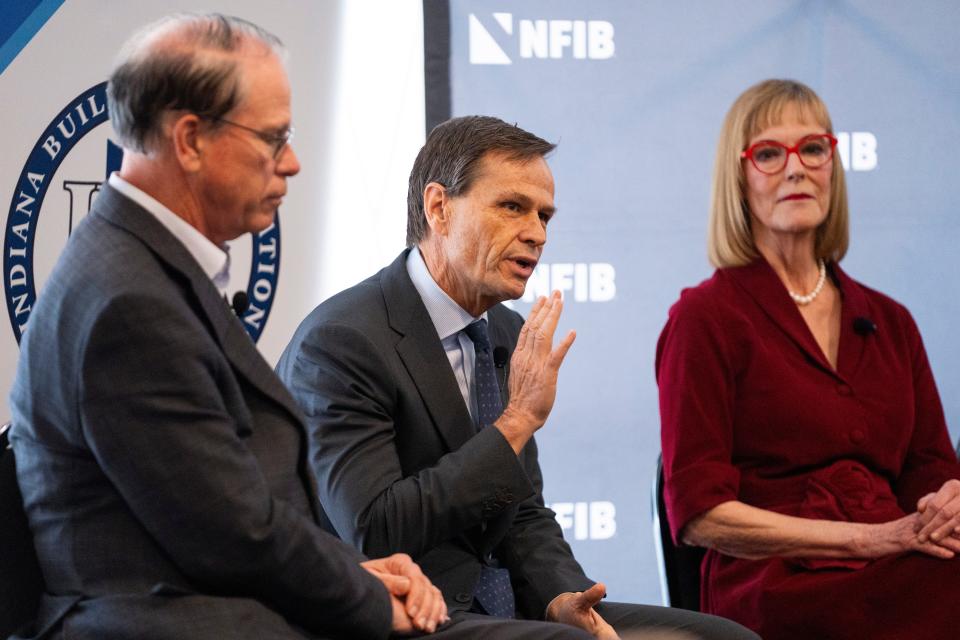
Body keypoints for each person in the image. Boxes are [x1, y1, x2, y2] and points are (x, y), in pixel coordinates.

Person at [9, 14, 448, 639]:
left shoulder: (144, 267)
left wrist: (359, 574)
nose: (292, 163)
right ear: (189, 141)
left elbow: (241, 511)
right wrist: (370, 599)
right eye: (274, 138)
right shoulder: (128, 304)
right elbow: (231, 532)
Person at [277, 115, 757, 640]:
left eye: (545, 216)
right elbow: (374, 529)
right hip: (404, 612)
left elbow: (522, 512)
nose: (536, 233)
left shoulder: (506, 330)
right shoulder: (344, 340)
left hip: (509, 610)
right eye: (512, 207)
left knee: (726, 638)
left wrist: (562, 598)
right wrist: (518, 422)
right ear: (438, 208)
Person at [656, 78, 960, 640]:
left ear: (832, 167)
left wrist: (948, 502)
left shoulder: (892, 321)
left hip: (902, 558)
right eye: (769, 154)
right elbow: (701, 516)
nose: (795, 168)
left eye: (813, 149)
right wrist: (875, 539)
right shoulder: (705, 319)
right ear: (738, 180)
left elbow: (934, 469)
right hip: (775, 583)